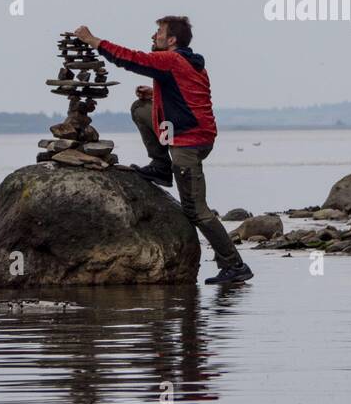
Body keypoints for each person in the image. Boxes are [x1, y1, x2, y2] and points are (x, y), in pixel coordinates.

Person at [72, 17, 254, 285]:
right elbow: (185, 97)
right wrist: (157, 94)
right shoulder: (187, 64)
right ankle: (160, 166)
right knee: (141, 108)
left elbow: (131, 58)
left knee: (196, 210)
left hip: (189, 143)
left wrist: (94, 41)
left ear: (172, 40)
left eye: (159, 32)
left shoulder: (171, 61)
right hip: (188, 134)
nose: (154, 36)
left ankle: (235, 265)